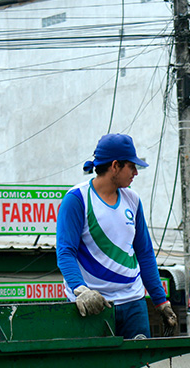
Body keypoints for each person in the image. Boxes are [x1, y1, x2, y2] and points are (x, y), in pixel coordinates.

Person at [56, 133, 178, 339]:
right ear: (115, 166)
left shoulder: (133, 199)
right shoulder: (77, 199)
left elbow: (145, 254)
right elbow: (65, 252)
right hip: (93, 304)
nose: (136, 173)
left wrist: (161, 301)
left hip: (133, 302)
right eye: (132, 167)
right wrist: (81, 290)